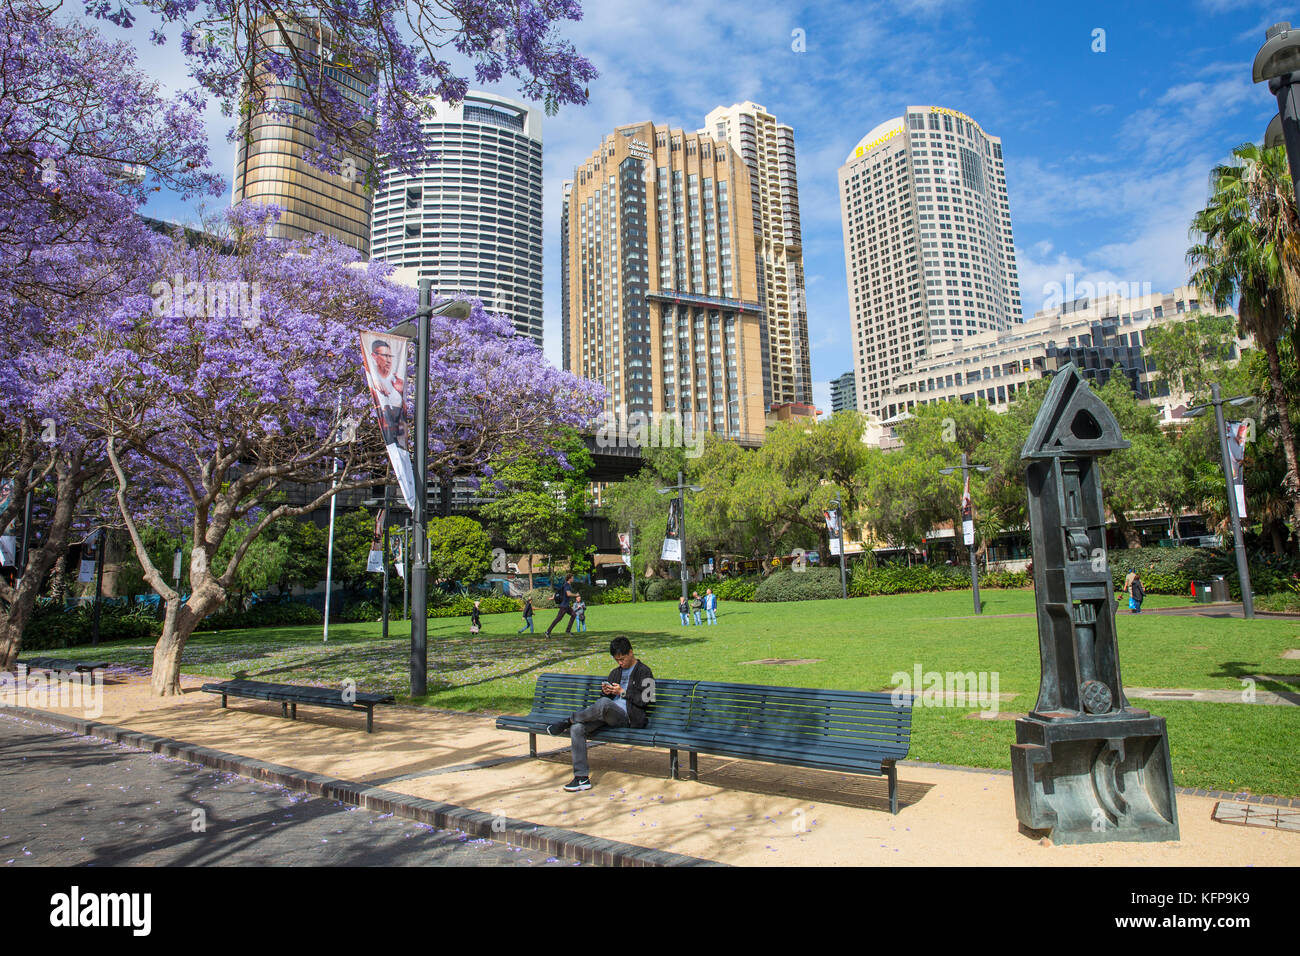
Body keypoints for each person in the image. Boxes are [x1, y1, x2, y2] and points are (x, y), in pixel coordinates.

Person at [546, 636, 655, 792]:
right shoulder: (615, 673)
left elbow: (647, 700)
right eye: (617, 660)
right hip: (607, 715)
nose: (620, 663)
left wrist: (623, 693)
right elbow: (603, 701)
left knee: (603, 705)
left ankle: (568, 720)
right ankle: (581, 778)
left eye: (622, 659)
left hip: (628, 718)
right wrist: (606, 692)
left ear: (631, 652)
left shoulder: (644, 671)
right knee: (577, 728)